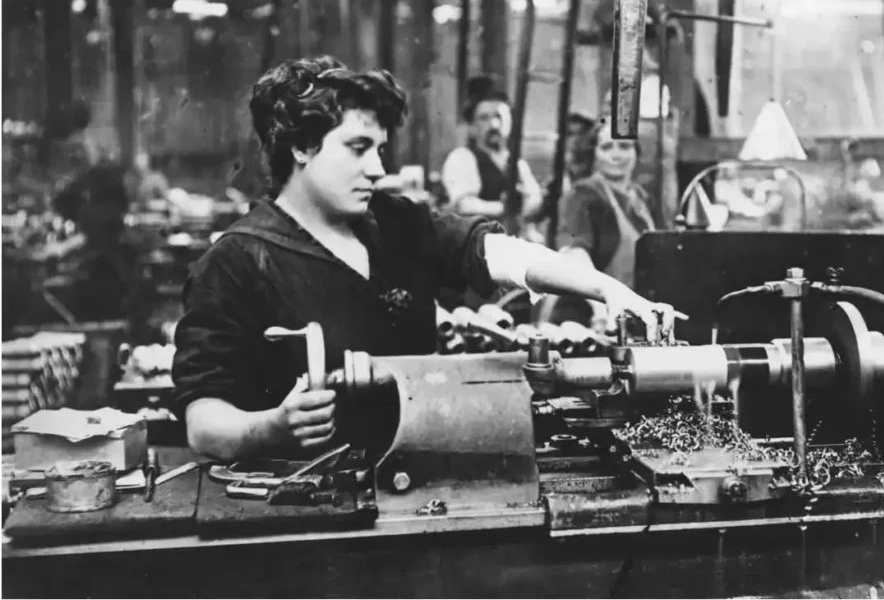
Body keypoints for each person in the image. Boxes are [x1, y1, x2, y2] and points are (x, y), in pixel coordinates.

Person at [171, 56, 669, 462]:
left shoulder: (397, 222)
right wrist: (271, 428)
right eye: (358, 148)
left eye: (381, 150)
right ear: (301, 147)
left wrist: (604, 288)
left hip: (417, 479)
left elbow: (497, 251)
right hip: (306, 507)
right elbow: (204, 422)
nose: (377, 169)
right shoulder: (236, 261)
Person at [556, 121, 658, 290]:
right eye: (606, 147)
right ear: (594, 153)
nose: (616, 155)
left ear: (636, 152)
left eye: (624, 146)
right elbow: (575, 253)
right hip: (597, 306)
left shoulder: (642, 198)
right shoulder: (582, 195)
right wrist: (598, 303)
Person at [440, 76, 544, 234]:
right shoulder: (462, 158)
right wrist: (504, 208)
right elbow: (463, 205)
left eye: (499, 117)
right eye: (484, 118)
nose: (494, 125)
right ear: (473, 127)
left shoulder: (517, 164)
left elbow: (533, 200)